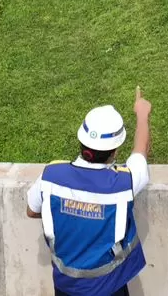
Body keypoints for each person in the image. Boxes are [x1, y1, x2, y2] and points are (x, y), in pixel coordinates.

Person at [26, 89, 153, 296]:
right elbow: (140, 149)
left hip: (66, 286)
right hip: (110, 287)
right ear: (115, 150)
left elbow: (32, 210)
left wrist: (71, 210)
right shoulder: (124, 182)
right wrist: (142, 113)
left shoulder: (50, 176)